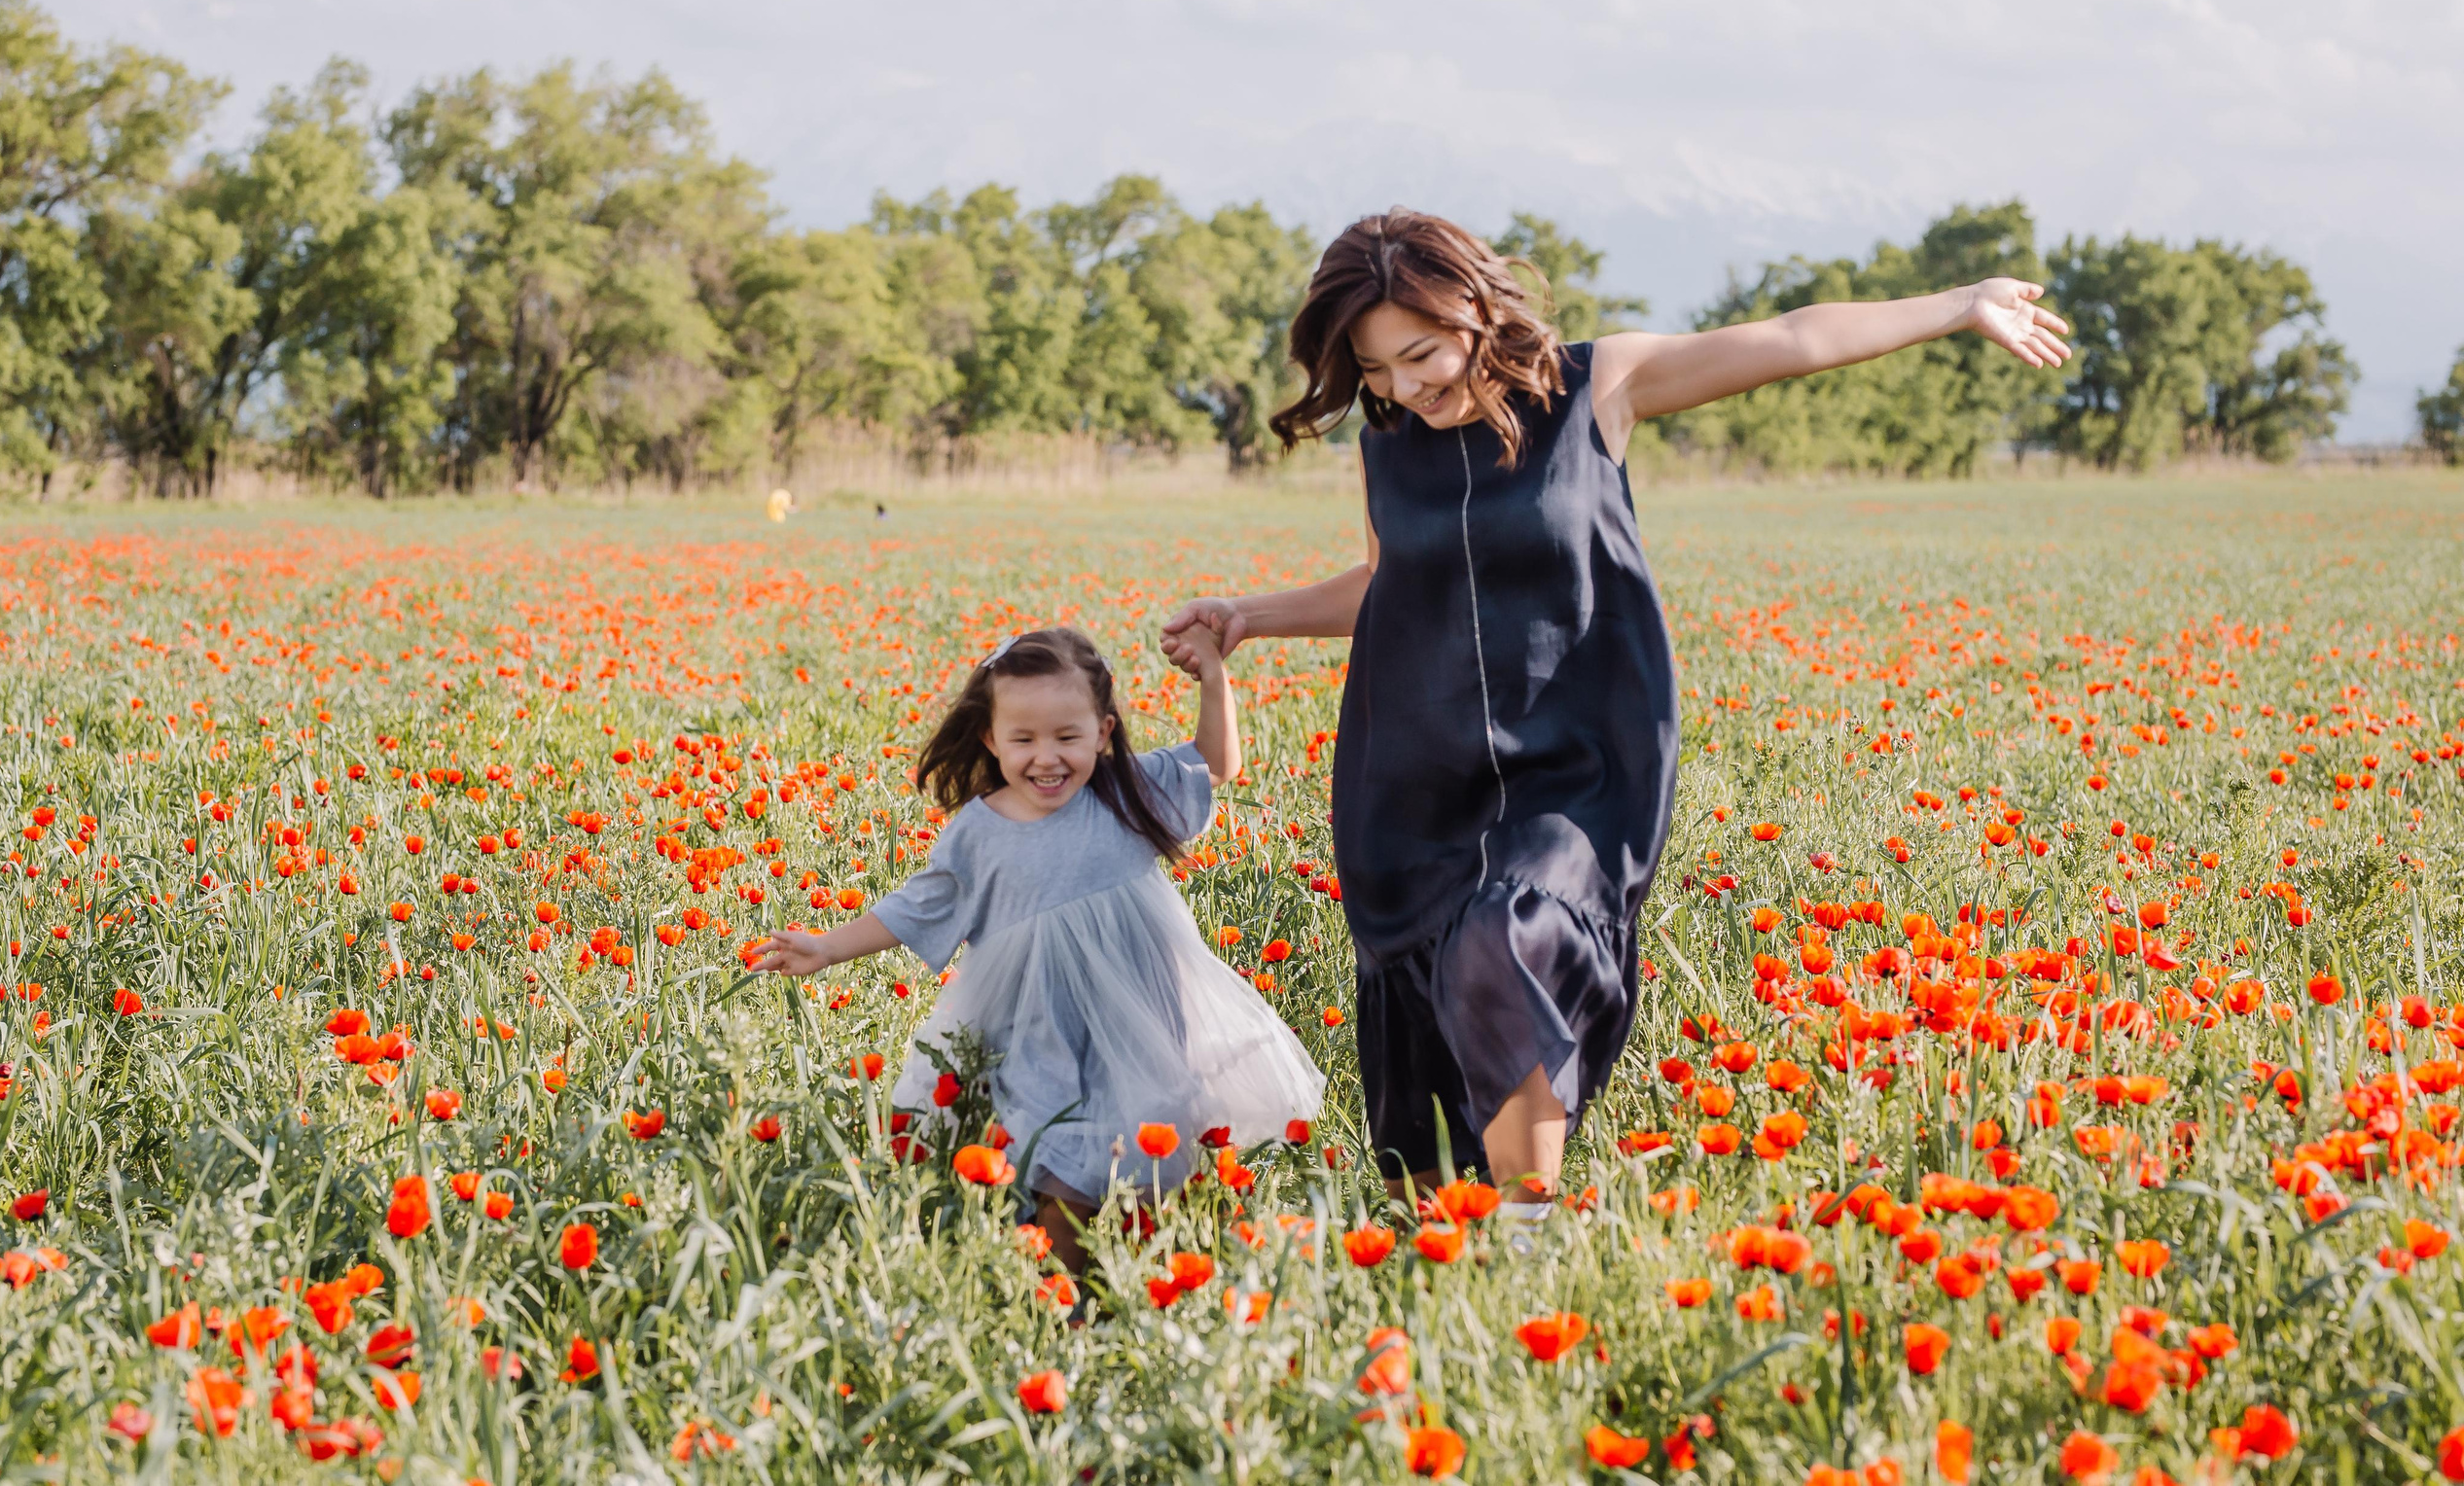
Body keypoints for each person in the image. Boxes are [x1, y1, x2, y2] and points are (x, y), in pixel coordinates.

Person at [1161, 208, 2068, 1220]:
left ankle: (1528, 1230)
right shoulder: (1388, 451)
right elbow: (1389, 582)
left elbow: (1791, 338)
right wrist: (1250, 616)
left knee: (1508, 937)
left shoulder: (1595, 387)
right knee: (1418, 1031)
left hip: (1573, 771)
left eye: (1418, 356)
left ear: (1473, 310)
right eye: (1376, 371)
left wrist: (1961, 304)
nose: (1404, 387)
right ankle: (1437, 1254)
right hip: (1415, 772)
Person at [748, 623, 1322, 1269]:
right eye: (1023, 739)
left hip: (1137, 1017)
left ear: (1103, 732)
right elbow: (919, 903)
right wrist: (827, 947)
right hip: (1040, 1026)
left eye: (1067, 737)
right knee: (1056, 1170)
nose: (1046, 758)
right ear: (991, 739)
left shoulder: (1125, 791)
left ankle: (1153, 1280)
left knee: (1147, 1152)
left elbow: (1215, 764)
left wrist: (1214, 679)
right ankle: (1061, 1298)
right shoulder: (981, 831)